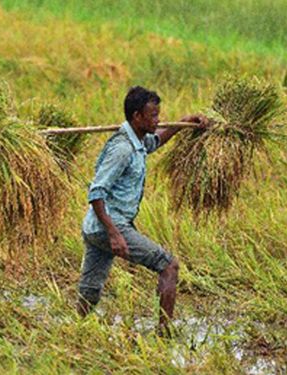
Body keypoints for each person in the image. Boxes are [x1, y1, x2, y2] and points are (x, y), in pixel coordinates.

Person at [76, 86, 208, 334]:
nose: (158, 120)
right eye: (153, 116)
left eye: (159, 115)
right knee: (169, 266)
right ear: (137, 116)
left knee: (90, 290)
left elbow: (156, 140)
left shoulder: (138, 140)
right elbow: (97, 193)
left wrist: (184, 122)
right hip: (110, 226)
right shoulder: (123, 149)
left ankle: (75, 333)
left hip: (94, 227)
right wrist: (115, 234)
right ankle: (164, 335)